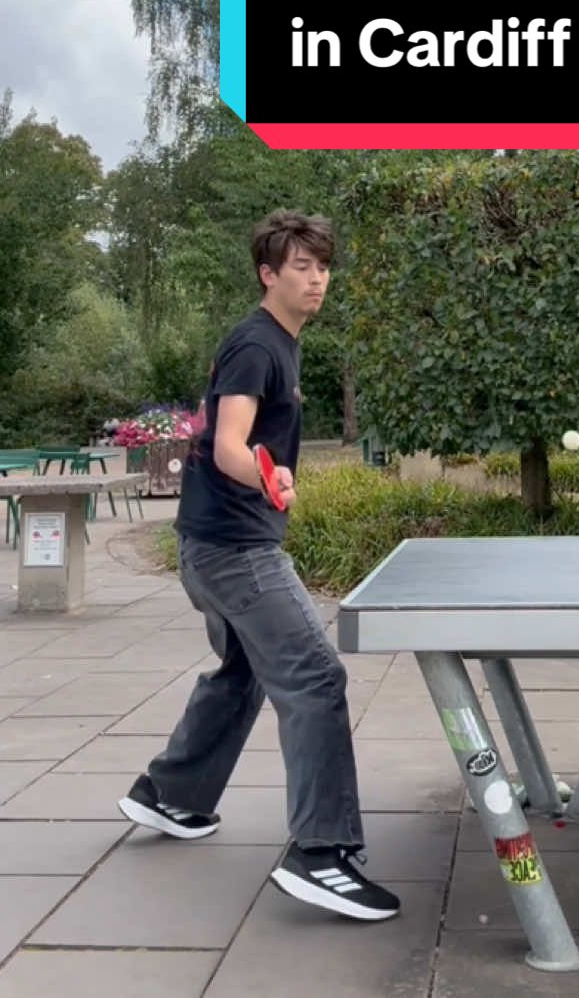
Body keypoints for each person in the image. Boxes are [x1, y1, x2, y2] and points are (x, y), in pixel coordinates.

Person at [117, 210, 400, 923]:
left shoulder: (278, 342)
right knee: (313, 673)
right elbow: (228, 445)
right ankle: (321, 854)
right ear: (267, 273)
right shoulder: (255, 345)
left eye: (322, 265)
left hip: (211, 543)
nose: (316, 278)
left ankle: (171, 792)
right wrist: (269, 480)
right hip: (235, 548)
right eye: (300, 266)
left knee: (244, 672)